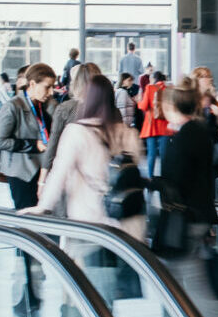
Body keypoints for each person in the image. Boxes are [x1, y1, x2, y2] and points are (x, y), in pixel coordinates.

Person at [33, 72, 144, 244]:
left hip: (90, 225)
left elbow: (59, 174)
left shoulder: (76, 132)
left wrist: (42, 207)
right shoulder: (129, 134)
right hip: (128, 228)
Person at [153, 81, 218, 317]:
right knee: (181, 282)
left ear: (171, 106)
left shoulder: (184, 137)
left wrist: (155, 184)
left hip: (184, 221)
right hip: (197, 217)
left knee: (188, 286)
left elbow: (176, 180)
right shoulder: (197, 132)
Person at [0, 63, 58, 212]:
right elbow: (0, 141)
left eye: (52, 87)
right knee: (27, 217)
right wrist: (33, 144)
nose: (51, 92)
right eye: (47, 87)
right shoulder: (13, 106)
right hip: (21, 172)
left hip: (42, 168)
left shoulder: (46, 105)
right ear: (32, 84)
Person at [136, 70, 173, 180]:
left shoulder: (150, 88)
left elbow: (143, 106)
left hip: (151, 125)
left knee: (151, 153)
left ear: (154, 79)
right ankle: (164, 177)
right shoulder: (169, 89)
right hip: (165, 125)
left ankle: (151, 177)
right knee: (164, 154)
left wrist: (138, 101)